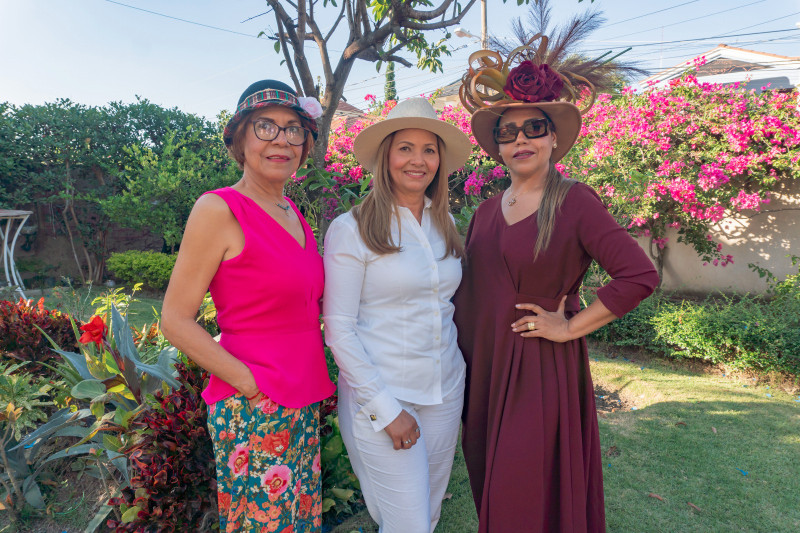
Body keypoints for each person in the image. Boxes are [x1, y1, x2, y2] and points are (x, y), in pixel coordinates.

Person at [453, 44, 660, 532]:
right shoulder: (484, 211)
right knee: (491, 487)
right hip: (482, 372)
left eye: (533, 128)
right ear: (497, 146)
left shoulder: (575, 202)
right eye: (508, 132)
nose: (520, 139)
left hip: (538, 371)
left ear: (552, 138)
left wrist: (569, 327)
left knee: (524, 494)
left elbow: (638, 276)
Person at [161, 79, 335, 532]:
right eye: (266, 127)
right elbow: (175, 320)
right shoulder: (218, 209)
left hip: (300, 394)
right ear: (239, 139)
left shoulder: (292, 211)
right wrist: (248, 382)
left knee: (297, 521)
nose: (282, 139)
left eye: (294, 129)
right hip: (253, 403)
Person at [322, 98, 472, 533]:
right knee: (408, 525)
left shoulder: (442, 224)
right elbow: (340, 329)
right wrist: (386, 409)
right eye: (405, 148)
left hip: (445, 392)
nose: (418, 160)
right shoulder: (352, 229)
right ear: (386, 155)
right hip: (384, 396)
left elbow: (445, 308)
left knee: (427, 514)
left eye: (429, 149)